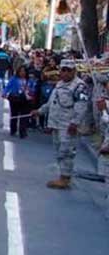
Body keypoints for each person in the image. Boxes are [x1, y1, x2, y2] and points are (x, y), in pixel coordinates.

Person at [35, 60, 88, 189]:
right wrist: (40, 111)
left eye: (68, 70)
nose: (64, 73)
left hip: (68, 125)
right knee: (59, 150)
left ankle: (65, 178)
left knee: (67, 151)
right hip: (57, 123)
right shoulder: (59, 84)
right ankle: (63, 176)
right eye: (63, 70)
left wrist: (74, 123)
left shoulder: (79, 86)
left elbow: (81, 106)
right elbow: (51, 103)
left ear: (74, 71)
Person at [4, 65, 33, 138]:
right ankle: (13, 129)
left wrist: (31, 94)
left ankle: (22, 132)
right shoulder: (14, 79)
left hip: (25, 100)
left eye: (24, 71)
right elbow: (8, 86)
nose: (22, 73)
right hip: (15, 99)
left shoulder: (29, 80)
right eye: (21, 71)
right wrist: (4, 93)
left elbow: (33, 89)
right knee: (14, 115)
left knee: (24, 116)